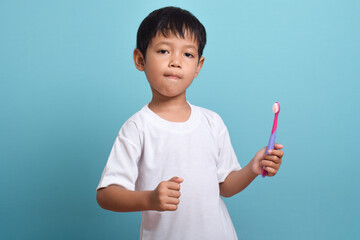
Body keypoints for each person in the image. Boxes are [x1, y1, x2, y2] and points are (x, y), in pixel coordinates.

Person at [96, 6, 284, 240]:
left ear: (198, 66)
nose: (176, 62)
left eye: (188, 54)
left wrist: (252, 169)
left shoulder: (212, 122)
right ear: (140, 59)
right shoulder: (137, 128)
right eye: (164, 51)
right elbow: (106, 195)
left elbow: (225, 186)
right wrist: (150, 199)